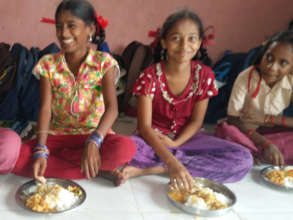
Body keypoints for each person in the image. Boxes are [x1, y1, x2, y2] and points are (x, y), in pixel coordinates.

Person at [117, 9, 253, 190]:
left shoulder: (205, 75)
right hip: (153, 139)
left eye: (191, 38)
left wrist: (175, 146)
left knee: (243, 159)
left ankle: (154, 169)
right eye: (176, 38)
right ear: (164, 42)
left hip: (189, 138)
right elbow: (145, 127)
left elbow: (197, 122)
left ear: (199, 43)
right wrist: (169, 154)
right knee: (124, 149)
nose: (184, 45)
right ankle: (180, 163)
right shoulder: (150, 76)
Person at [12, 0, 135, 184]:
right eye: (59, 27)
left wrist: (94, 141)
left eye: (71, 26)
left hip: (95, 136)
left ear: (90, 30)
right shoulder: (48, 64)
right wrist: (41, 149)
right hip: (59, 136)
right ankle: (96, 169)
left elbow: (112, 109)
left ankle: (86, 162)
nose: (63, 33)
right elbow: (45, 109)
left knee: (125, 149)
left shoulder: (104, 62)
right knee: (15, 158)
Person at [216, 30, 293, 166]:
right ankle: (259, 151)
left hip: (271, 130)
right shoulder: (246, 77)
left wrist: (269, 119)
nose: (272, 67)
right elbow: (233, 119)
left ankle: (250, 152)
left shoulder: (291, 81)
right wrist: (265, 143)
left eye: (283, 63)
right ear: (262, 55)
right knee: (226, 130)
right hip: (244, 130)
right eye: (269, 57)